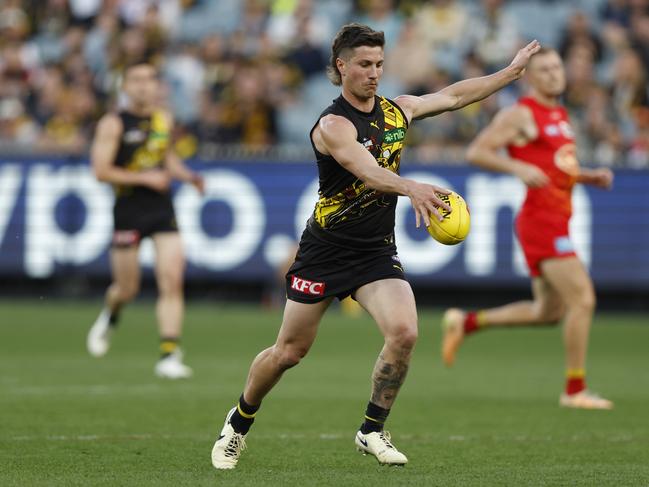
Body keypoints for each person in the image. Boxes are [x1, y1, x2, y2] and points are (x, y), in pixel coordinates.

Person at [210, 23, 540, 469]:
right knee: (289, 351)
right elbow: (365, 169)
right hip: (324, 251)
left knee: (404, 333)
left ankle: (372, 429)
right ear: (341, 66)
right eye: (365, 64)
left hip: (374, 253)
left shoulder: (396, 111)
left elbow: (454, 96)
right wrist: (413, 188)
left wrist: (509, 72)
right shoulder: (331, 125)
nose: (374, 73)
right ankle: (239, 421)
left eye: (380, 64)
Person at [441, 48, 614, 410]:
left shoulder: (560, 114)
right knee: (583, 299)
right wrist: (516, 169)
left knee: (548, 313)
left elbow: (554, 167)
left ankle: (466, 322)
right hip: (541, 221)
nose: (554, 74)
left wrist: (586, 176)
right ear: (530, 77)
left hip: (556, 216)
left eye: (557, 67)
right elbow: (476, 151)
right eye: (545, 70)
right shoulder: (521, 113)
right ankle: (574, 390)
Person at [86, 61, 204, 379]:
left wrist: (187, 175)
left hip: (161, 208)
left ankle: (169, 353)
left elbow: (165, 156)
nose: (143, 85)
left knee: (172, 279)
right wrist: (145, 179)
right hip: (128, 208)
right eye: (136, 79)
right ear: (125, 86)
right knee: (127, 288)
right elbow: (101, 171)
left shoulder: (162, 118)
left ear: (157, 85)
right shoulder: (113, 124)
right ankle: (111, 314)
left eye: (149, 79)